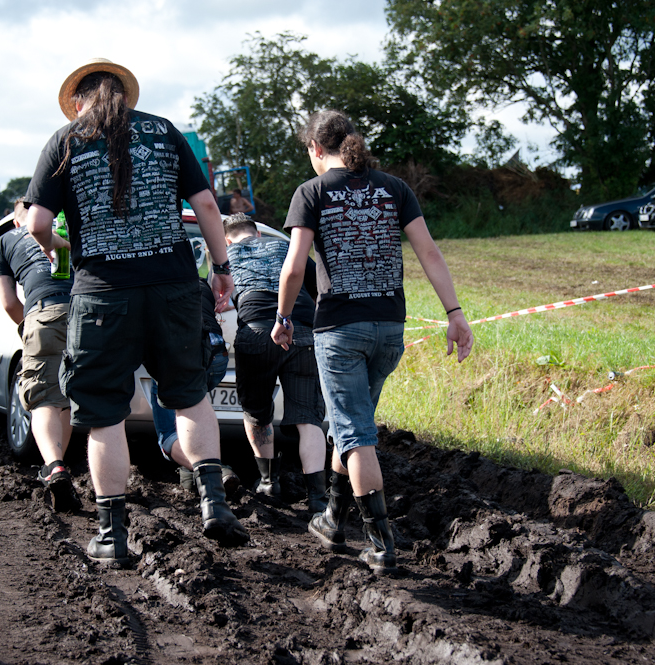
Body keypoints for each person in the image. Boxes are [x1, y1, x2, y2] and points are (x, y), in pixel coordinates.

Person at [24, 58, 249, 567]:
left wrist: (58, 251)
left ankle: (112, 535)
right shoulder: (165, 132)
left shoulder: (65, 140)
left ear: (79, 101)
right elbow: (209, 208)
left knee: (104, 416)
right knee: (191, 398)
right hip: (173, 287)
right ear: (124, 97)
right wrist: (221, 267)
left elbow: (36, 220)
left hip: (102, 293)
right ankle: (213, 504)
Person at [273, 110, 473, 574]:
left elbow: (295, 267)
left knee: (356, 434)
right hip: (389, 329)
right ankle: (332, 520)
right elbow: (428, 252)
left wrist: (283, 317)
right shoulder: (394, 188)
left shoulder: (312, 192)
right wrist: (454, 314)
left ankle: (382, 544)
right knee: (353, 425)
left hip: (340, 330)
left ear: (316, 150)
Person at [223, 213, 328, 512]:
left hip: (255, 333)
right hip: (301, 332)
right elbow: (318, 283)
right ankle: (318, 498)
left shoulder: (226, 257)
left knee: (256, 412)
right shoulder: (284, 247)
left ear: (227, 240)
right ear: (257, 235)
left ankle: (269, 482)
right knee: (308, 417)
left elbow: (219, 297)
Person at [0, 198, 79, 512]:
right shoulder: (65, 232)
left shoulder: (3, 242)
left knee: (43, 398)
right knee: (68, 396)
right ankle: (60, 466)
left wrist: (31, 327)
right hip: (86, 313)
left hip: (44, 312)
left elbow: (9, 303)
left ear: (17, 223)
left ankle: (55, 467)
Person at [149, 278, 240, 497]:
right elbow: (225, 304)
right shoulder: (203, 285)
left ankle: (216, 471)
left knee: (169, 434)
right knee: (190, 411)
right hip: (216, 353)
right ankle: (189, 478)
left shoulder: (156, 281)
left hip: (180, 352)